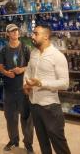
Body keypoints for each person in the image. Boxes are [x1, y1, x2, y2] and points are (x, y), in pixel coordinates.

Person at [24, 24, 71, 154]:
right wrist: (25, 84)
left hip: (50, 107)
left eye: (35, 33)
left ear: (46, 36)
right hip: (34, 105)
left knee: (59, 144)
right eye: (33, 33)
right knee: (43, 143)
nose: (32, 36)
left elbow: (64, 83)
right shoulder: (33, 53)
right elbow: (28, 71)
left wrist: (41, 83)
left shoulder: (57, 56)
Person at [0, 24, 34, 154]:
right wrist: (7, 73)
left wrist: (21, 69)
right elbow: (0, 66)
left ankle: (28, 144)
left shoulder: (25, 48)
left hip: (23, 89)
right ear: (7, 34)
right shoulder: (3, 50)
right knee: (10, 117)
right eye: (12, 31)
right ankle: (13, 140)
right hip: (9, 89)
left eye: (16, 31)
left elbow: (32, 65)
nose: (15, 33)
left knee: (26, 118)